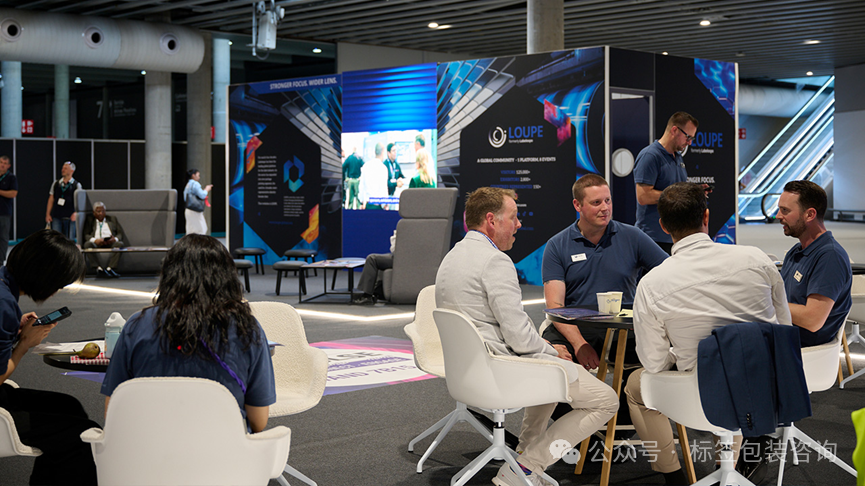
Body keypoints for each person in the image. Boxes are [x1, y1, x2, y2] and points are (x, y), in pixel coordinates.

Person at [436, 186, 618, 486]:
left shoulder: (452, 257)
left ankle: (523, 462)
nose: (519, 224)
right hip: (499, 369)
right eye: (514, 217)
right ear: (492, 220)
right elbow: (520, 340)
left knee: (548, 370)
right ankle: (529, 465)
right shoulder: (494, 261)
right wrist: (552, 351)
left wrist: (543, 349)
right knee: (606, 400)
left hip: (469, 371)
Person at [624, 182, 791, 485]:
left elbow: (654, 362)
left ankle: (673, 475)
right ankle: (729, 466)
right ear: (706, 216)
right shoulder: (757, 259)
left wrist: (681, 355)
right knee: (734, 365)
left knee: (637, 386)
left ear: (663, 226)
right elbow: (784, 330)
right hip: (764, 392)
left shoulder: (652, 283)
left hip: (699, 400)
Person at [101, 234, 276, 434]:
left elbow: (112, 412)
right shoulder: (248, 329)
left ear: (169, 275)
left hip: (150, 448)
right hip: (224, 450)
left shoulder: (136, 326)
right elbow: (259, 421)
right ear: (227, 278)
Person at [542, 174, 667, 422]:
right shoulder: (557, 245)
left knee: (656, 368)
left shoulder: (632, 236)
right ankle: (579, 431)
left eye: (608, 201)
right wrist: (579, 344)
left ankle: (614, 427)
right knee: (547, 361)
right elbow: (555, 306)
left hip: (626, 331)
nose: (605, 208)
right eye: (596, 202)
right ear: (578, 205)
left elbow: (669, 271)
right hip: (578, 330)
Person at [0, 229, 96, 485]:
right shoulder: (4, 305)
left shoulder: (3, 288)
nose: (56, 292)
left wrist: (13, 329)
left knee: (69, 407)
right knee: (83, 435)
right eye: (59, 285)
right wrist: (24, 345)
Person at [776, 180, 852, 347]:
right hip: (782, 336)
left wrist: (767, 303)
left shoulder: (830, 257)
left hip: (802, 350)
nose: (778, 216)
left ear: (810, 215)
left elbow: (812, 320)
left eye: (785, 210)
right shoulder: (796, 252)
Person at [634, 112, 700, 253]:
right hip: (653, 238)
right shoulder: (650, 156)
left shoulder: (677, 157)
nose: (689, 142)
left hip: (676, 236)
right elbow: (643, 196)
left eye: (692, 138)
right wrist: (679, 196)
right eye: (688, 137)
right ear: (674, 130)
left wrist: (693, 192)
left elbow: (676, 188)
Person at [82, 201, 126, 278]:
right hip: (96, 242)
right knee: (87, 244)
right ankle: (98, 269)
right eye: (98, 211)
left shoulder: (112, 219)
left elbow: (120, 234)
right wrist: (95, 240)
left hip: (110, 242)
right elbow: (86, 235)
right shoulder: (90, 220)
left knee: (120, 244)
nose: (101, 213)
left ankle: (110, 269)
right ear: (94, 212)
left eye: (103, 211)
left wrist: (114, 239)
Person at [351, 230, 396, 305]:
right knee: (380, 262)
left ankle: (367, 295)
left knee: (372, 259)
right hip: (406, 258)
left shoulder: (404, 228)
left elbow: (394, 249)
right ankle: (377, 292)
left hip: (400, 259)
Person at [45, 161, 82, 242]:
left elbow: (80, 201)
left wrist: (76, 213)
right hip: (57, 216)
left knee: (70, 239)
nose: (63, 170)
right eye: (63, 168)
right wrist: (48, 214)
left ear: (72, 171)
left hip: (70, 216)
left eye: (66, 168)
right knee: (56, 239)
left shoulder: (76, 185)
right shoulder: (56, 183)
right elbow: (51, 198)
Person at [358, 143, 389, 210]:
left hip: (367, 205)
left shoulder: (366, 166)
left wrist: (362, 202)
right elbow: (384, 188)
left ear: (374, 152)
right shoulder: (383, 168)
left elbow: (361, 186)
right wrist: (385, 204)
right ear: (383, 152)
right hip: (378, 206)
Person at [0, 155, 18, 264]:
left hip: (4, 212)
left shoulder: (11, 178)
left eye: (5, 163)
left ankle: (1, 261)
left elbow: (13, 193)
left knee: (3, 237)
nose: (2, 165)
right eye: (1, 162)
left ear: (9, 166)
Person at [184, 168, 212, 235]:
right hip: (195, 210)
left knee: (190, 230)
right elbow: (202, 195)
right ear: (193, 175)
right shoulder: (195, 184)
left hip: (188, 209)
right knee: (202, 229)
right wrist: (206, 189)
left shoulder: (188, 184)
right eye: (198, 175)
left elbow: (185, 198)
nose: (199, 177)